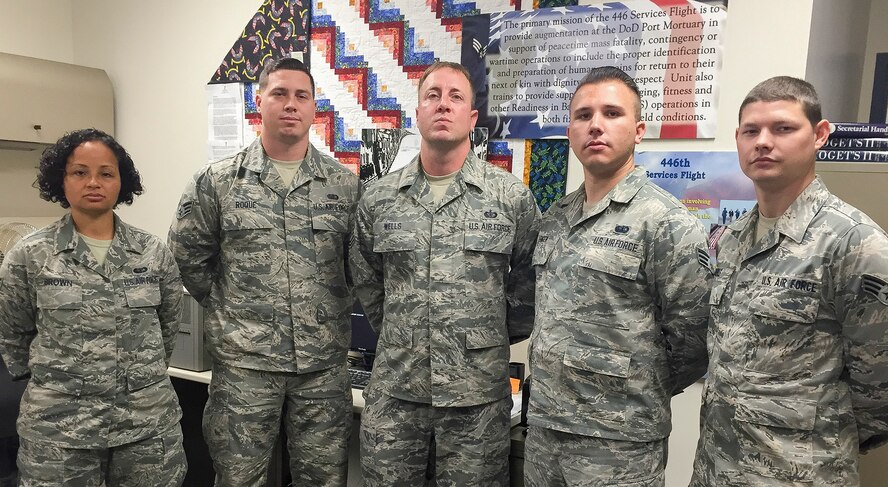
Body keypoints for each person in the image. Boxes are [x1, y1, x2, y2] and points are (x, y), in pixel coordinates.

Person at [168, 58, 360, 486]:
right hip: (244, 368)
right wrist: (233, 313)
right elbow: (188, 258)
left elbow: (357, 267)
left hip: (322, 368)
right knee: (239, 479)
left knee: (324, 479)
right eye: (279, 93)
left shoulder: (344, 186)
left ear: (314, 109)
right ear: (260, 102)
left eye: (301, 96)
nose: (290, 104)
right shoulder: (217, 182)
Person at [350, 61, 541, 486]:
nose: (443, 105)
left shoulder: (510, 197)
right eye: (433, 95)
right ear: (417, 112)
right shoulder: (379, 199)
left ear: (472, 118)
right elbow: (366, 278)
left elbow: (530, 285)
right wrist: (406, 332)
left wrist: (480, 336)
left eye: (456, 97)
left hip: (476, 403)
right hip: (396, 395)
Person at [691, 76, 888, 486]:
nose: (763, 142)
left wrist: (824, 439)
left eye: (782, 128)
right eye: (751, 131)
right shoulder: (730, 239)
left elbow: (879, 386)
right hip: (716, 467)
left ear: (819, 135)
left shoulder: (854, 243)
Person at [524, 66, 713, 486]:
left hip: (619, 443)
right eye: (583, 115)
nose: (596, 126)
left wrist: (632, 386)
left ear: (639, 129)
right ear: (570, 130)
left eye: (612, 113)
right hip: (545, 432)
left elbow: (694, 339)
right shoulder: (556, 217)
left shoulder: (666, 222)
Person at [0, 128, 186, 486]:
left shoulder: (151, 252)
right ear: (61, 180)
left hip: (144, 426)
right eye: (79, 172)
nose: (93, 182)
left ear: (121, 182)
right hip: (61, 431)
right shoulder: (29, 255)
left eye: (106, 173)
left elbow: (167, 328)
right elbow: (14, 335)